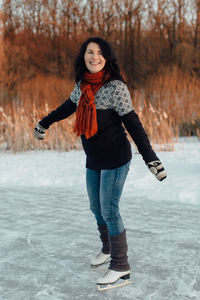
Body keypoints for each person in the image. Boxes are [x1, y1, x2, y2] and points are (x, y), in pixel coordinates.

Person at [34, 37, 167, 286]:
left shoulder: (115, 87)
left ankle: (121, 267)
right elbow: (67, 107)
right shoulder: (82, 85)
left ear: (107, 58)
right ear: (83, 56)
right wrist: (44, 122)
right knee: (96, 208)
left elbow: (133, 123)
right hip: (93, 158)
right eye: (89, 52)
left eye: (99, 53)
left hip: (116, 158)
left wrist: (152, 159)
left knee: (109, 210)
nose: (94, 57)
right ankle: (107, 250)